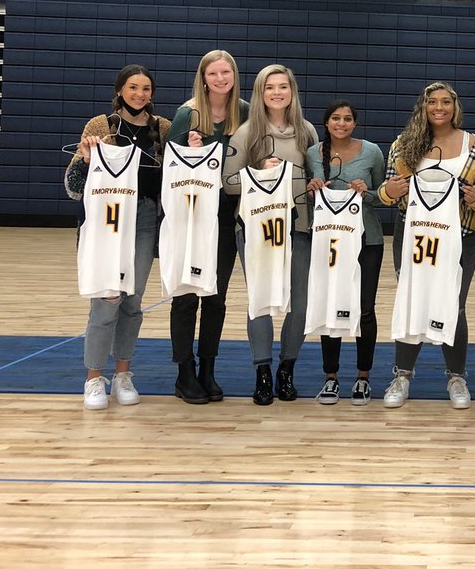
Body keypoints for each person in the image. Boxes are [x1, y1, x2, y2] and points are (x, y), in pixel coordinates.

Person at [377, 81, 475, 409]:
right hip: (413, 236)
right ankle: (401, 375)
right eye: (432, 102)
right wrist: (389, 193)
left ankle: (456, 376)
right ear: (423, 107)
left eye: (445, 102)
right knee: (413, 297)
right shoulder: (404, 144)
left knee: (455, 304)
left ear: (455, 107)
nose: (439, 108)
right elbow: (385, 190)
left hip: (462, 235)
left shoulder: (473, 145)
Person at [64, 64, 170, 410]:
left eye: (146, 88)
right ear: (120, 90)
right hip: (107, 222)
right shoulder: (100, 126)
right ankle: (94, 378)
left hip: (144, 218)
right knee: (106, 299)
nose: (140, 94)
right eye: (133, 87)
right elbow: (73, 187)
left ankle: (123, 374)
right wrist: (83, 158)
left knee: (132, 300)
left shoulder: (163, 129)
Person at [222, 64, 318, 405]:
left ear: (292, 92)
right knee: (259, 301)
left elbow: (315, 179)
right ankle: (262, 372)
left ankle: (286, 369)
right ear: (260, 93)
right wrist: (258, 172)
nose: (277, 93)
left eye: (283, 87)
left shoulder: (306, 132)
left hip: (300, 226)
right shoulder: (246, 133)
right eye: (269, 87)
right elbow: (229, 184)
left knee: (301, 303)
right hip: (256, 229)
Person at [166, 50, 248, 404]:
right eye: (213, 73)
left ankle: (207, 369)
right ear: (203, 78)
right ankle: (184, 372)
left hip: (228, 210)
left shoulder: (245, 112)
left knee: (215, 295)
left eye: (225, 72)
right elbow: (172, 165)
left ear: (234, 75)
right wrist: (189, 148)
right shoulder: (188, 113)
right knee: (186, 295)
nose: (220, 78)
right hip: (193, 209)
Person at [304, 100, 387, 406]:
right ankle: (331, 378)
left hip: (368, 239)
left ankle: (363, 377)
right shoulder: (313, 153)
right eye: (336, 118)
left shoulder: (372, 151)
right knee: (331, 302)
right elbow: (306, 195)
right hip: (328, 239)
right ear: (326, 123)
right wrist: (312, 187)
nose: (341, 123)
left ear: (355, 123)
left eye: (348, 119)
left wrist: (368, 191)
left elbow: (382, 196)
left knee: (365, 308)